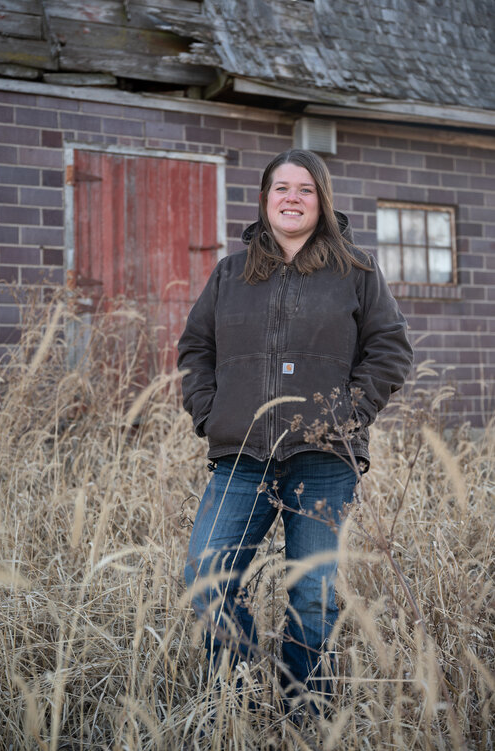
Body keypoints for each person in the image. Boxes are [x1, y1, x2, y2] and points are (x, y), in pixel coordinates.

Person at [177, 149, 413, 715]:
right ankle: (233, 706)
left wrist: (345, 417)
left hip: (322, 457)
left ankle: (303, 714)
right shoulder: (231, 273)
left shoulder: (356, 270)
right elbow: (195, 350)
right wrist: (211, 414)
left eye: (304, 189)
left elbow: (390, 350)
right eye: (280, 187)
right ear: (264, 199)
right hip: (242, 456)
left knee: (313, 594)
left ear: (322, 201)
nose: (291, 197)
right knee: (207, 578)